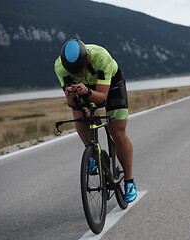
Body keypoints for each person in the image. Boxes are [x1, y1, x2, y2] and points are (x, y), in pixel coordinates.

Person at [54, 39, 137, 203]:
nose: (77, 74)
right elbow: (72, 104)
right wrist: (72, 96)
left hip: (111, 85)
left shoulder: (101, 57)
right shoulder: (59, 67)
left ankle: (129, 181)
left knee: (118, 133)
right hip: (85, 88)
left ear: (87, 59)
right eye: (74, 72)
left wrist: (86, 91)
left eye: (80, 70)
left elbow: (101, 99)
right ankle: (92, 154)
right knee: (79, 113)